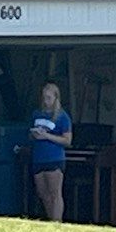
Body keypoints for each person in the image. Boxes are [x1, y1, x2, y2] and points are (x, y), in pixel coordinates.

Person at [29, 82, 73, 222]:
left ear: (55, 98)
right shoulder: (36, 114)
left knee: (55, 193)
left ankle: (57, 222)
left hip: (54, 157)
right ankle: (50, 220)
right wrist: (34, 135)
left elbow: (67, 140)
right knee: (42, 193)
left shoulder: (62, 117)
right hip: (38, 157)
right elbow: (29, 136)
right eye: (44, 98)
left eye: (49, 98)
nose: (46, 101)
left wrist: (47, 136)